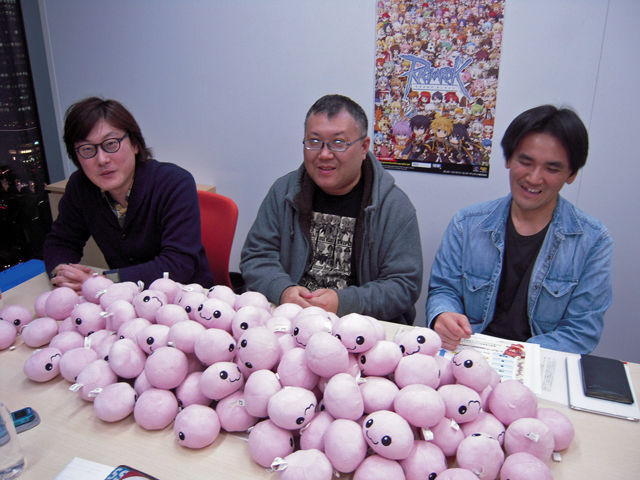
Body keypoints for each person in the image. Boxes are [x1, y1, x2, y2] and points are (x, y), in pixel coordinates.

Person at [426, 105, 613, 354]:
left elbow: (581, 331)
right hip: (468, 354)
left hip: (539, 361)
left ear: (571, 174)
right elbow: (444, 289)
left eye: (552, 169)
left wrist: (517, 354)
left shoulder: (593, 241)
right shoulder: (466, 223)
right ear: (508, 159)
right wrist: (443, 314)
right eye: (525, 162)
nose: (534, 178)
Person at [240, 94, 422, 324]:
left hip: (359, 327)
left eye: (338, 143)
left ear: (364, 147)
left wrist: (344, 302)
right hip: (288, 318)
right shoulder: (284, 192)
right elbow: (256, 257)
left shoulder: (394, 207)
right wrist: (282, 290)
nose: (324, 154)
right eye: (314, 141)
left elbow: (403, 286)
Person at [43, 97, 213, 290]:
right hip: (121, 297)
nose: (102, 159)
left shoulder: (174, 183)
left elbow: (178, 265)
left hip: (186, 295)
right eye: (87, 149)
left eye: (111, 144)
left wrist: (103, 280)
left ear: (134, 144)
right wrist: (62, 273)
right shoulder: (80, 187)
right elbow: (61, 242)